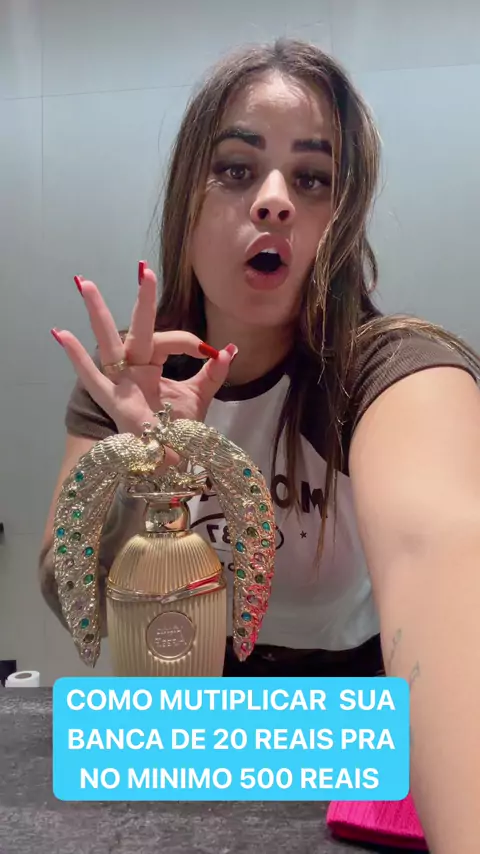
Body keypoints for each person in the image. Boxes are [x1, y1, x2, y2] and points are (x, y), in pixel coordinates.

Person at [39, 39, 480, 852]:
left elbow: (440, 549)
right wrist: (142, 472)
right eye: (237, 169)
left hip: (355, 721)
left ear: (342, 218)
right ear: (188, 200)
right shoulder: (130, 382)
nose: (274, 201)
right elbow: (68, 596)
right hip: (185, 714)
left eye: (311, 179)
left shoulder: (388, 373)